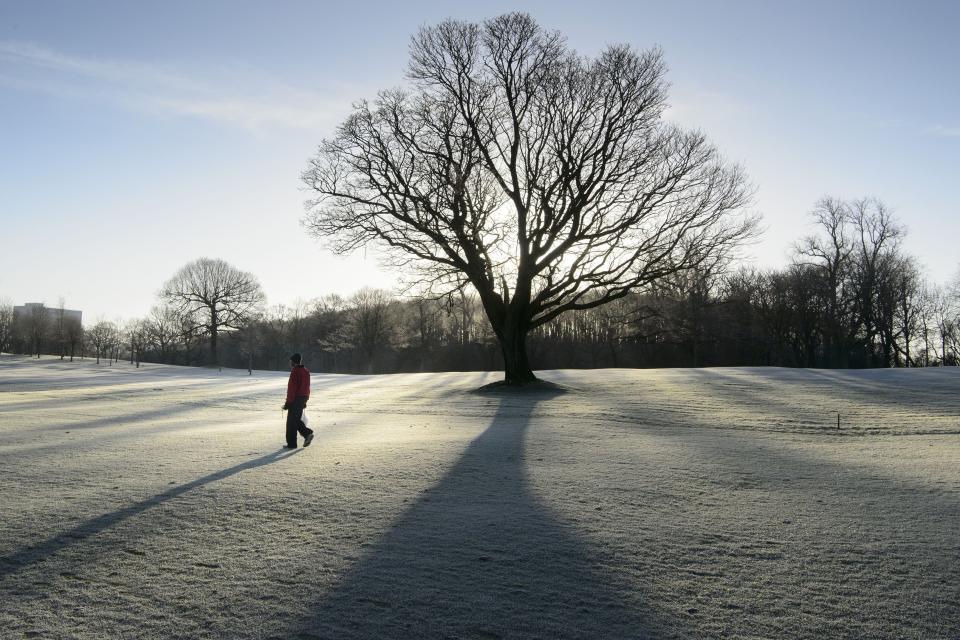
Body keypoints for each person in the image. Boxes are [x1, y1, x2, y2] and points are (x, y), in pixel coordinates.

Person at [282, 352, 314, 449]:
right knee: (295, 420)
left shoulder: (295, 372)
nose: (289, 363)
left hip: (296, 399)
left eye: (290, 361)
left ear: (293, 361)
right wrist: (305, 400)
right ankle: (293, 443)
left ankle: (306, 434)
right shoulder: (306, 371)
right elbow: (307, 387)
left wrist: (288, 402)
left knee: (292, 422)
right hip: (302, 398)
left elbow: (292, 389)